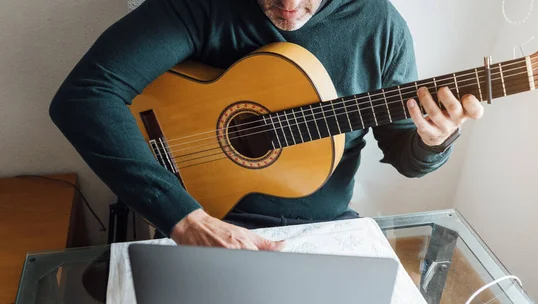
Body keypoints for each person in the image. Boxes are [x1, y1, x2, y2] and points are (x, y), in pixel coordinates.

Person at [49, 0, 483, 250]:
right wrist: (184, 218)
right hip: (205, 220)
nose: (291, 5)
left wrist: (434, 140)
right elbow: (84, 97)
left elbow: (406, 156)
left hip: (324, 229)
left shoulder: (379, 26)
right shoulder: (203, 4)